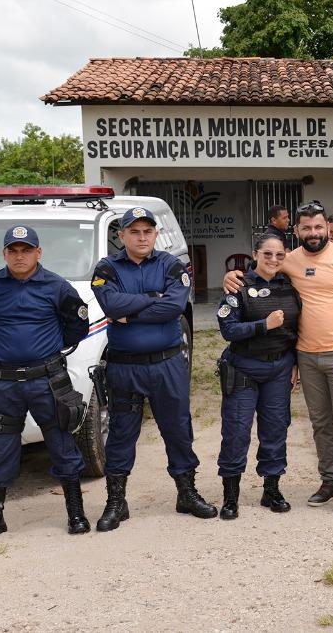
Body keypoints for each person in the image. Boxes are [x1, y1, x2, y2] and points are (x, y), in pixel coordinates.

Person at [225, 202, 333, 521]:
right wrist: (232, 276)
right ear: (297, 231)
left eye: (319, 227)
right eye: (306, 228)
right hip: (306, 356)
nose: (313, 233)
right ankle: (331, 481)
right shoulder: (289, 260)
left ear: (329, 228)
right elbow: (260, 268)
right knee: (320, 424)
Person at [0, 225, 92, 542]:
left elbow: (77, 326)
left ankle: (76, 512)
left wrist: (45, 349)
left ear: (38, 253)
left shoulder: (57, 287)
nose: (20, 256)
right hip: (3, 384)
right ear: (4, 254)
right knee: (0, 450)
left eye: (26, 250)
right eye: (13, 251)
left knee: (62, 444)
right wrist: (2, 349)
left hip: (47, 380)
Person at [93, 207, 217, 531]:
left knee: (178, 429)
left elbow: (175, 306)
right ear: (121, 236)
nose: (142, 237)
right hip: (125, 368)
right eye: (134, 231)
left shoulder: (170, 264)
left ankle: (187, 493)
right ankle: (116, 503)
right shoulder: (107, 268)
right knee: (121, 434)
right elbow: (111, 305)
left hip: (168, 364)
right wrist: (153, 300)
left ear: (156, 234)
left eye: (148, 231)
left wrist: (130, 310)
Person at [215, 234, 302, 519]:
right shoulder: (238, 286)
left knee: (275, 430)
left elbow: (299, 329)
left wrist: (295, 363)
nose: (273, 260)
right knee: (236, 432)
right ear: (255, 254)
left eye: (279, 255)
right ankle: (231, 496)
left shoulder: (291, 286)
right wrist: (264, 325)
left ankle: (272, 489)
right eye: (267, 254)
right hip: (243, 368)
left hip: (279, 368)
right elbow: (229, 330)